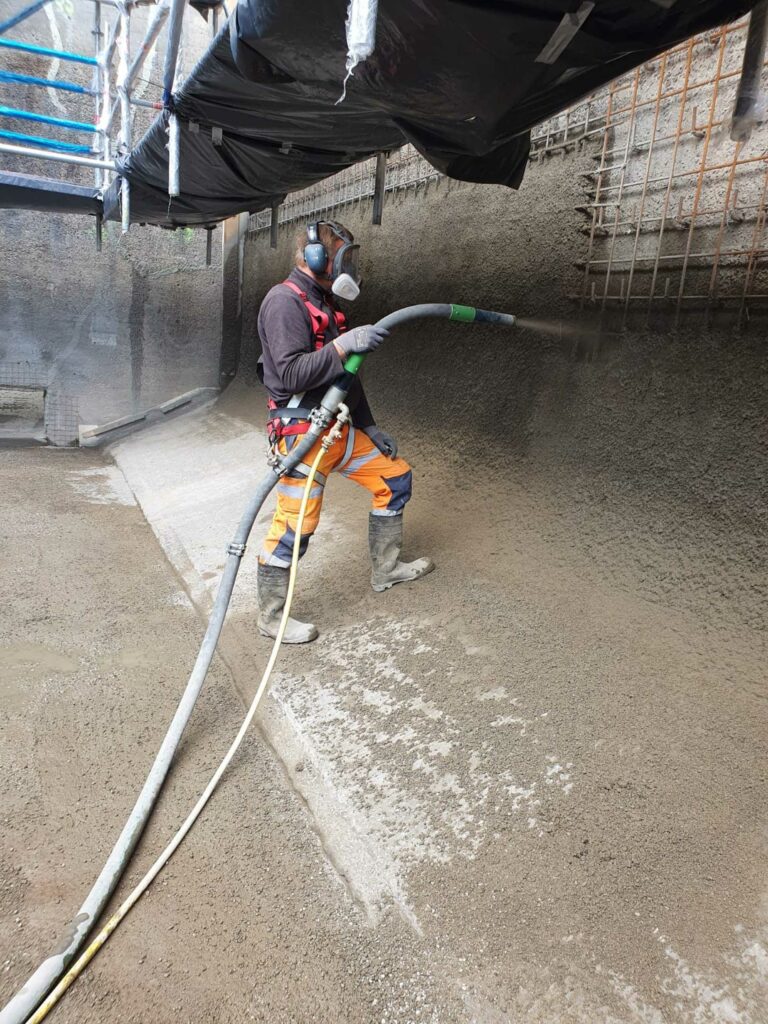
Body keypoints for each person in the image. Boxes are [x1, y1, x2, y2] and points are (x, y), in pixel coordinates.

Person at [256, 219, 434, 643]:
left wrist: (369, 424)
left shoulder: (327, 305)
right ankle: (271, 617)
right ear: (315, 256)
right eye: (342, 256)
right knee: (295, 525)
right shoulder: (283, 301)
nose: (347, 266)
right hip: (302, 434)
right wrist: (342, 344)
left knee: (395, 477)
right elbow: (290, 373)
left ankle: (386, 569)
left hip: (338, 430)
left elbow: (346, 376)